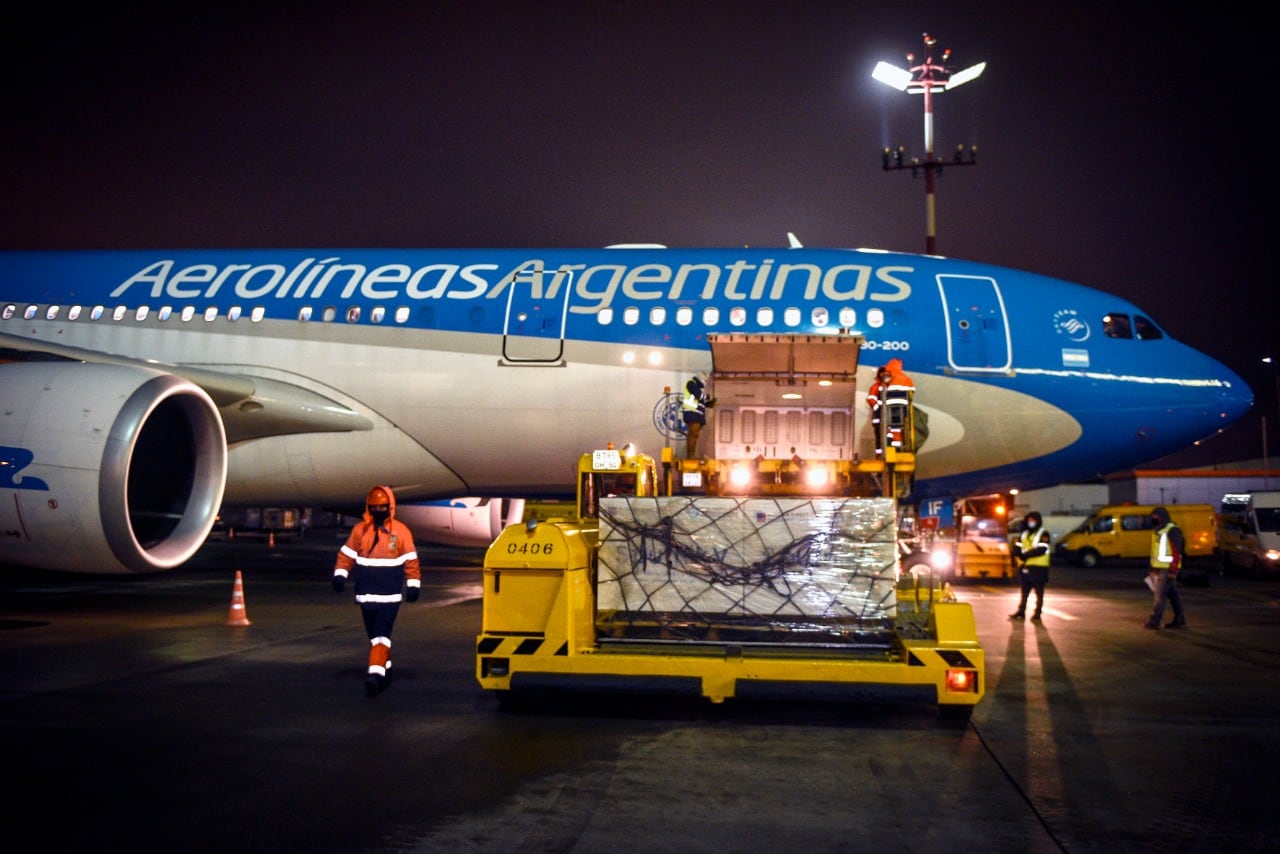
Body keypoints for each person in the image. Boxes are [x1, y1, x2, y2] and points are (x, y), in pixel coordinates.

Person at [332, 485, 422, 695]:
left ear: (390, 507)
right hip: (366, 595)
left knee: (382, 636)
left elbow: (411, 560)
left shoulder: (400, 532)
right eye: (374, 507)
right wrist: (340, 575)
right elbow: (347, 554)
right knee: (374, 637)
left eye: (382, 507)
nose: (378, 511)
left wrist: (413, 584)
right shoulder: (360, 531)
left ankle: (375, 675)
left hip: (389, 596)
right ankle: (385, 668)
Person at [1144, 506, 1187, 629]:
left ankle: (1154, 621)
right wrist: (1152, 568)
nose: (1153, 521)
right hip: (1160, 567)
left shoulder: (1172, 530)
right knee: (1172, 595)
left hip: (1167, 569)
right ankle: (1180, 619)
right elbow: (1156, 552)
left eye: (1155, 518)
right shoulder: (1158, 530)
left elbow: (1176, 551)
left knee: (1159, 596)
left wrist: (1173, 570)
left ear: (1162, 518)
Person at [866, 358, 915, 457]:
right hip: (890, 412)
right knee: (889, 434)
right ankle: (887, 453)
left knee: (889, 433)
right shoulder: (904, 378)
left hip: (886, 412)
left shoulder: (883, 384)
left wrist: (878, 409)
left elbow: (874, 398)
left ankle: (891, 451)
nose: (883, 375)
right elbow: (912, 391)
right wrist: (878, 409)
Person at [1010, 510, 1051, 621]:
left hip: (1039, 567)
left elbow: (1042, 549)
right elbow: (1017, 547)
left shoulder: (1043, 533)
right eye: (1029, 520)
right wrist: (1017, 554)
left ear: (1038, 521)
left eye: (1033, 520)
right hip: (1026, 566)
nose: (1031, 522)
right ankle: (1021, 612)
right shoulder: (1024, 534)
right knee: (1024, 592)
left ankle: (1037, 613)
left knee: (1039, 592)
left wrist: (1025, 555)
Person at [681, 374, 713, 459]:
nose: (705, 383)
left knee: (695, 436)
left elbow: (700, 401)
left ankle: (692, 455)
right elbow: (698, 395)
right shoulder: (691, 384)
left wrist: (708, 403)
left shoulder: (697, 388)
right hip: (692, 414)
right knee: (692, 435)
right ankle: (690, 455)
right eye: (705, 380)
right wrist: (707, 397)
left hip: (697, 415)